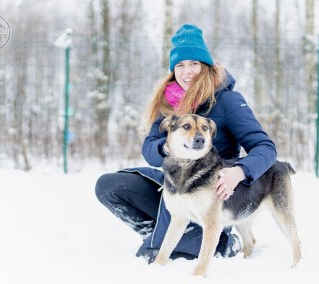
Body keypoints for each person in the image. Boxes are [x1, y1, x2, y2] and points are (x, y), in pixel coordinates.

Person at [95, 24, 277, 262]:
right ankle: (155, 234)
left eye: (194, 63)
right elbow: (150, 148)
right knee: (109, 185)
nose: (187, 71)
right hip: (173, 185)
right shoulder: (170, 102)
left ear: (206, 67)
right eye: (179, 65)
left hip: (209, 194)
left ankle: (224, 241)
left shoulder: (228, 101)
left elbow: (266, 148)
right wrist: (166, 147)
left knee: (174, 254)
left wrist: (240, 172)